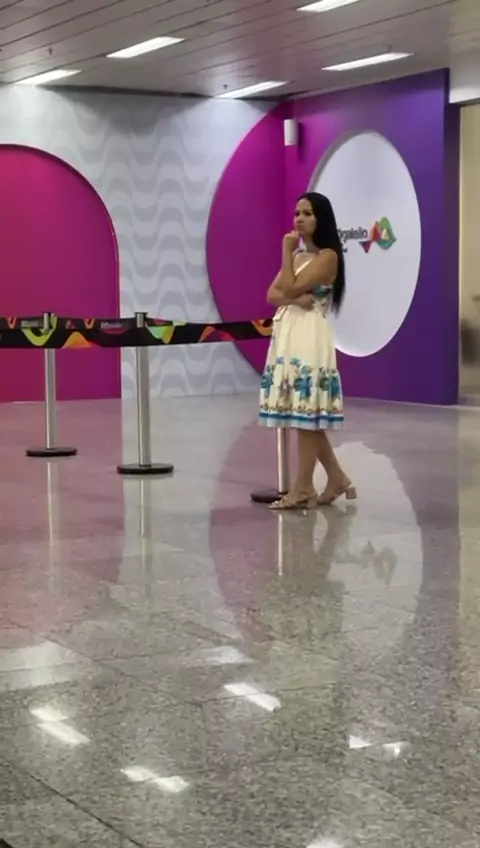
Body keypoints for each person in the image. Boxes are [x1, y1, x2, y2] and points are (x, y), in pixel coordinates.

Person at [259, 191, 356, 510]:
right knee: (300, 414)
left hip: (309, 335)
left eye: (307, 213)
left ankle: (303, 488)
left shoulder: (327, 257)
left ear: (320, 219)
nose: (299, 219)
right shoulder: (299, 257)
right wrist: (293, 295)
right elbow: (273, 294)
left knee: (306, 413)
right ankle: (336, 477)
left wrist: (286, 253)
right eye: (297, 213)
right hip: (288, 332)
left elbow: (286, 286)